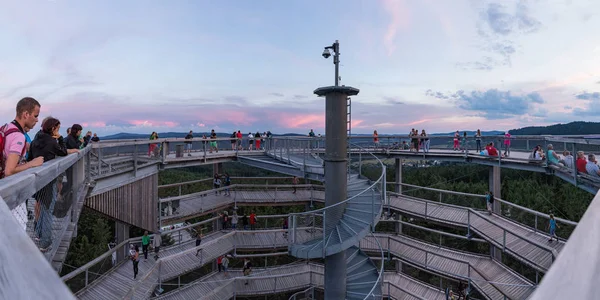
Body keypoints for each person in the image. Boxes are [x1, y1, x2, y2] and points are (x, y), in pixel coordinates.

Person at [28, 117, 72, 251]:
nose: (58, 130)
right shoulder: (52, 141)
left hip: (37, 179)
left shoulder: (36, 139)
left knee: (42, 207)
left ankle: (39, 235)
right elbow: (63, 152)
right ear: (53, 128)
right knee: (47, 210)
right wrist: (60, 138)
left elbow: (29, 157)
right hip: (48, 179)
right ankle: (45, 241)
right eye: (57, 128)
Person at [1, 97, 44, 179]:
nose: (37, 120)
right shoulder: (18, 136)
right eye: (35, 116)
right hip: (9, 186)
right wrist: (32, 163)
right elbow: (9, 171)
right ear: (26, 114)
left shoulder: (6, 128)